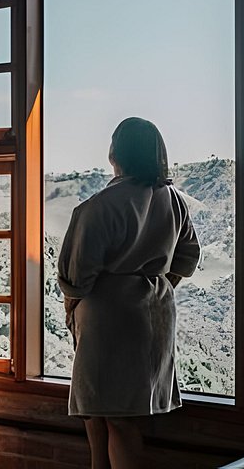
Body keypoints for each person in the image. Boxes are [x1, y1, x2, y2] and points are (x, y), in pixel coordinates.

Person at [57, 117, 201, 469]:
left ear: (115, 153)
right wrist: (157, 287)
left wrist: (71, 311)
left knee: (111, 414)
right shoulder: (174, 201)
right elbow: (188, 256)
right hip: (155, 311)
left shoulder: (99, 206)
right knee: (108, 409)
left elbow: (76, 276)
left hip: (107, 317)